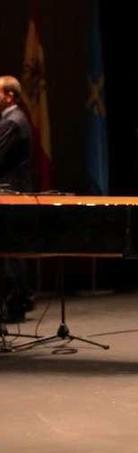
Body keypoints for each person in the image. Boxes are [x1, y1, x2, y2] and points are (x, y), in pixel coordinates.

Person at [0, 75, 34, 323]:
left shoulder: (13, 121)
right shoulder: (11, 118)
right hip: (11, 189)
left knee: (10, 249)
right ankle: (16, 300)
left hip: (10, 190)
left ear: (9, 95)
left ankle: (17, 301)